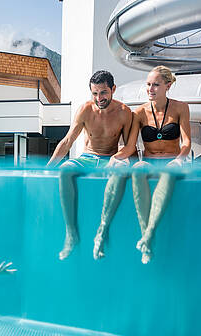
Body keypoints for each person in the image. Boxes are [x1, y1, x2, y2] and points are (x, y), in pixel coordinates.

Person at [94, 65, 191, 263]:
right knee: (137, 169)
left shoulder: (181, 108)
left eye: (156, 84)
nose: (150, 89)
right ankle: (146, 236)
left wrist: (179, 160)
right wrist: (117, 157)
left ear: (168, 86)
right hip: (148, 161)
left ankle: (148, 238)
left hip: (171, 161)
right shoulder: (139, 113)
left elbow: (187, 142)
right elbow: (130, 147)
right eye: (148, 84)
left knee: (168, 174)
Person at [46, 70, 133, 260]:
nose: (99, 98)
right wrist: (48, 168)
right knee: (65, 170)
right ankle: (71, 234)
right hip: (87, 157)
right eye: (94, 93)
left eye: (103, 92)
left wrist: (119, 160)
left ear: (113, 89)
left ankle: (103, 231)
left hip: (109, 158)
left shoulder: (124, 112)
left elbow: (127, 147)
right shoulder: (85, 110)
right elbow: (67, 141)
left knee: (122, 170)